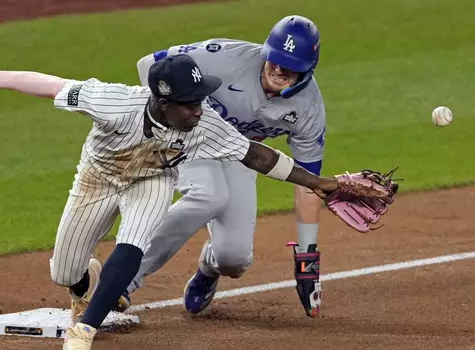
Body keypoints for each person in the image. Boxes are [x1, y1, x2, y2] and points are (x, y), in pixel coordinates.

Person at [0, 54, 360, 350]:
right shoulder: (112, 101)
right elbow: (51, 85)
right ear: (162, 102)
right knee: (65, 272)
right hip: (97, 179)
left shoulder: (204, 124)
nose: (199, 109)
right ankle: (83, 282)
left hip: (152, 181)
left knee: (134, 240)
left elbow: (256, 153)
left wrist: (319, 184)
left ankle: (81, 336)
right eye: (189, 104)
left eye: (201, 100)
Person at [123, 15, 328, 317]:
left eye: (290, 66)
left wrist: (307, 259)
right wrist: (162, 119)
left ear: (307, 71)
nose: (280, 69)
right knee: (208, 195)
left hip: (242, 154)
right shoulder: (222, 58)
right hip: (191, 137)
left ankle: (208, 268)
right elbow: (148, 65)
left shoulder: (308, 109)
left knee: (233, 258)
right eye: (275, 59)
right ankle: (125, 278)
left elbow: (308, 183)